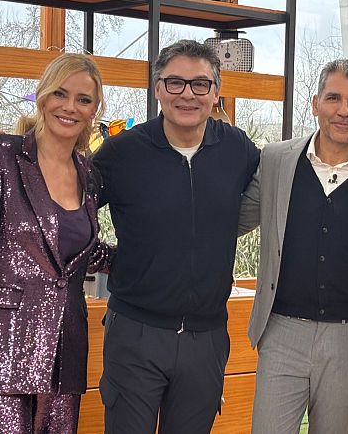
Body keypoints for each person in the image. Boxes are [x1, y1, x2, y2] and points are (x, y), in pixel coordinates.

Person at [92, 40, 259, 433]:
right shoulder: (121, 153)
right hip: (135, 333)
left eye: (200, 84)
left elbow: (289, 178)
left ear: (216, 93)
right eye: (175, 83)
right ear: (157, 89)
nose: (187, 93)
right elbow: (61, 207)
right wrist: (12, 149)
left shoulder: (236, 148)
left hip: (207, 338)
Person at [0, 53, 112, 433]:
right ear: (42, 97)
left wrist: (157, 256)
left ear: (94, 109)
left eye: (83, 100)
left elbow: (79, 255)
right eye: (60, 94)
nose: (70, 107)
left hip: (65, 354)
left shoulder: (88, 174)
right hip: (0, 352)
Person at [238, 58, 348, 434]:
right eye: (333, 98)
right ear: (315, 103)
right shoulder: (277, 160)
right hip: (281, 331)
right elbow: (232, 220)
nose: (343, 111)